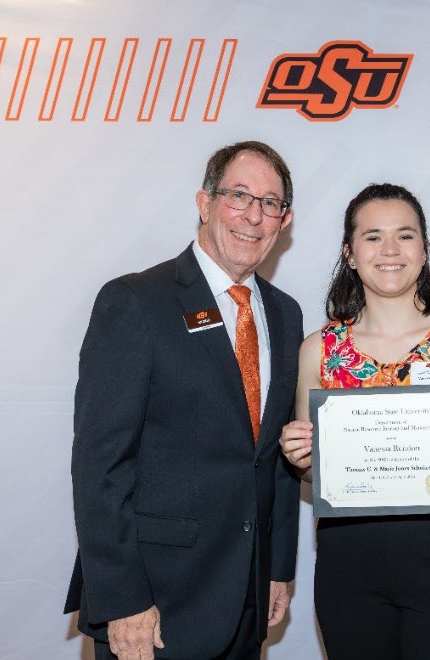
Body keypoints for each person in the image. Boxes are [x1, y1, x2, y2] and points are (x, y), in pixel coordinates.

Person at [64, 141, 304, 660]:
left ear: (284, 221)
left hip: (247, 599)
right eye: (239, 196)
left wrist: (279, 567)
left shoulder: (286, 314)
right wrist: (123, 601)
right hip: (154, 608)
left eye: (270, 203)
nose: (253, 216)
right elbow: (99, 467)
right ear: (204, 203)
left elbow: (275, 457)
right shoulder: (135, 302)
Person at [279, 183, 430, 659]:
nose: (389, 250)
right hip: (347, 561)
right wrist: (300, 458)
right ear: (350, 254)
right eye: (372, 237)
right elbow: (312, 473)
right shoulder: (320, 350)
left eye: (405, 236)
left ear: (425, 249)